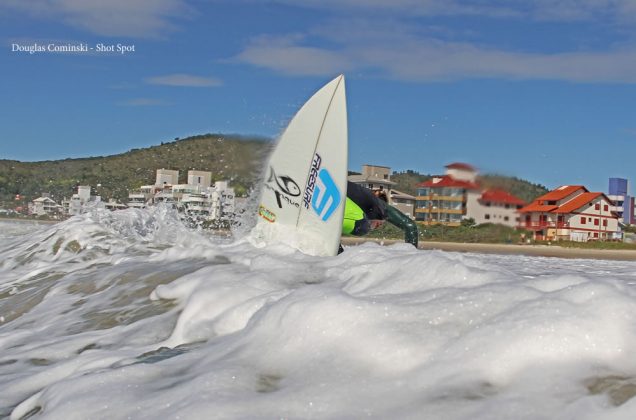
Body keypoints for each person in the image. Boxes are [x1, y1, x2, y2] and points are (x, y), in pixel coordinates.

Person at [341, 182, 418, 251]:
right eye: (380, 223)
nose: (380, 225)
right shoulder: (377, 204)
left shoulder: (358, 207)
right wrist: (410, 259)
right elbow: (410, 226)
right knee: (363, 227)